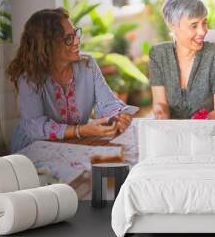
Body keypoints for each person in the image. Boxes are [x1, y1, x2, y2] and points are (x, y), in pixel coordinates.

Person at [7, 8, 132, 152]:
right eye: (68, 38)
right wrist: (80, 130)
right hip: (33, 149)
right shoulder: (29, 76)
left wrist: (117, 116)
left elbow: (108, 103)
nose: (77, 41)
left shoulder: (88, 65)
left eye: (75, 34)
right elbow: (35, 126)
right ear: (47, 46)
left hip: (75, 143)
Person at [149, 0, 215, 119]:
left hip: (206, 133)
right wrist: (161, 113)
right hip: (171, 132)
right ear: (172, 25)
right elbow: (160, 103)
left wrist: (200, 124)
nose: (202, 31)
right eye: (194, 25)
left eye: (204, 23)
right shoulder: (158, 54)